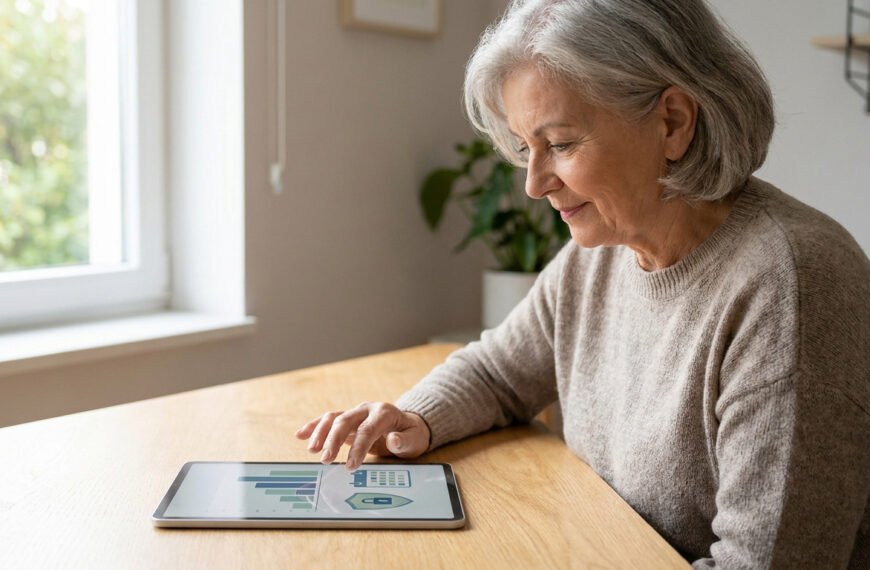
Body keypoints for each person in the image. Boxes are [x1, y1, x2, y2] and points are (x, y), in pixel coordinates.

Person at [296, 0, 870, 567]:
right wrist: (415, 418)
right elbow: (500, 373)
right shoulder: (602, 252)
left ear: (672, 122)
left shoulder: (792, 287)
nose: (535, 183)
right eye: (525, 149)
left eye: (562, 144)